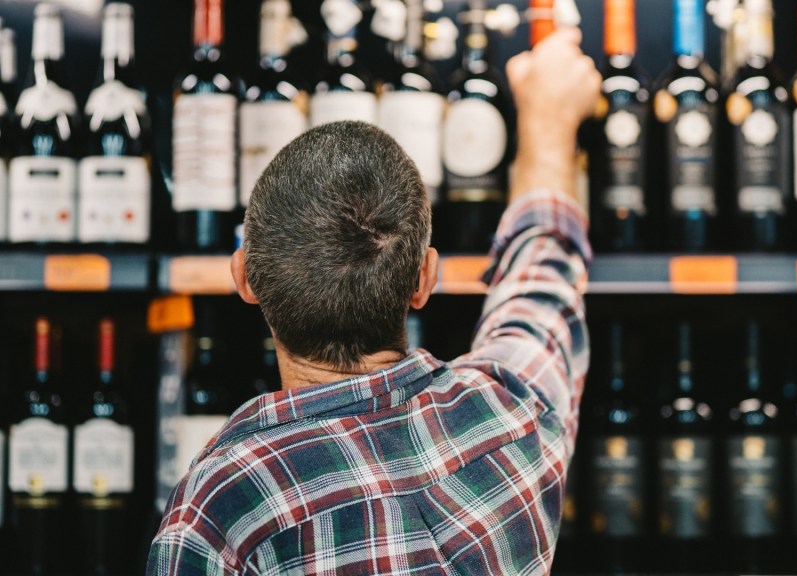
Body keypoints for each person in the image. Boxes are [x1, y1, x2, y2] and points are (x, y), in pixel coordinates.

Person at [147, 28, 600, 575]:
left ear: (245, 278)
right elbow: (540, 275)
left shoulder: (221, 510)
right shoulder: (511, 413)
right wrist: (547, 123)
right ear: (424, 279)